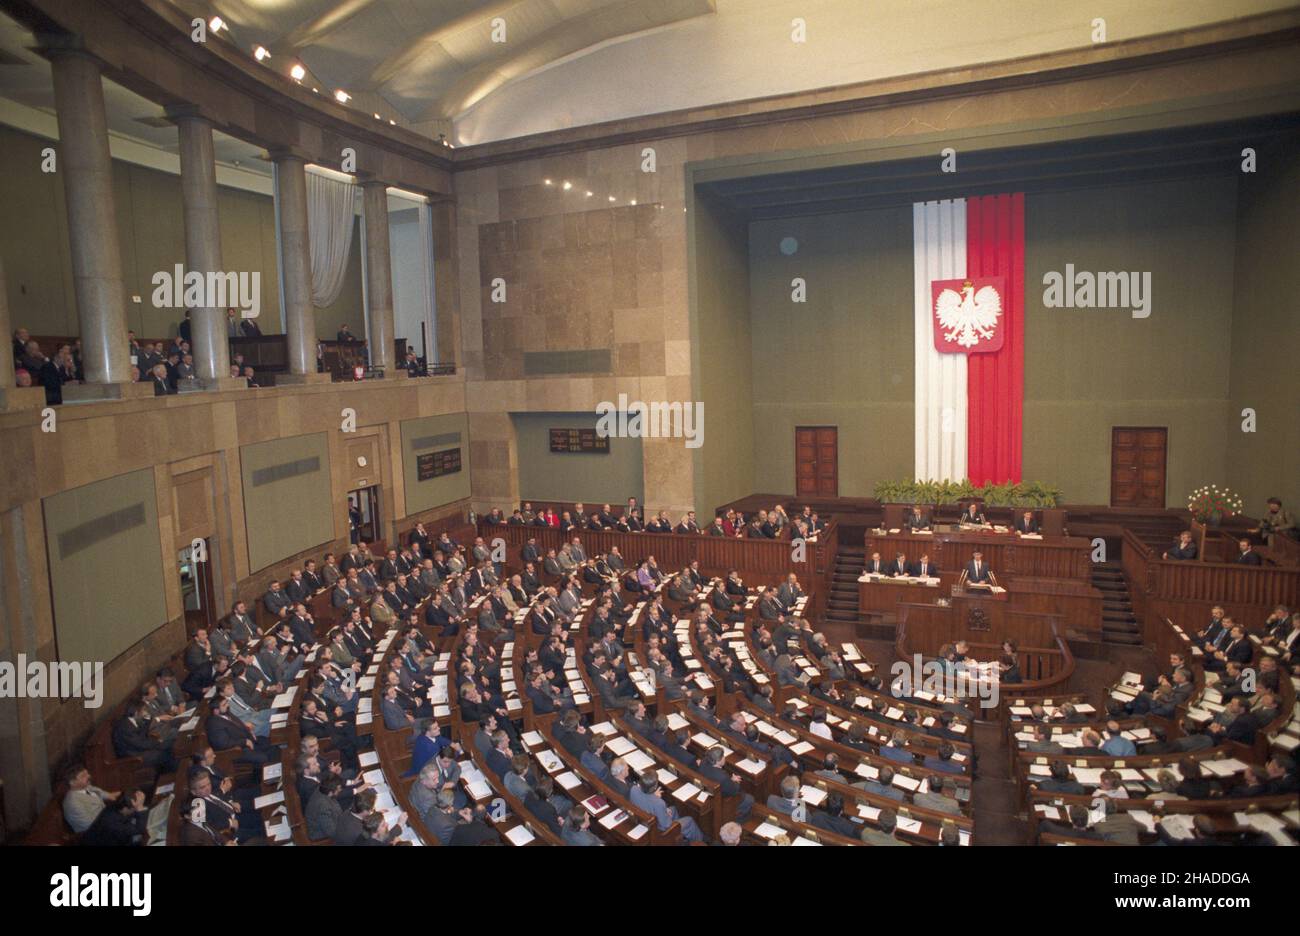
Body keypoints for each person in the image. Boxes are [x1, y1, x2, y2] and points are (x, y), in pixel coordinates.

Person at [630, 772, 703, 843]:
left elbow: (645, 800)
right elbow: (666, 825)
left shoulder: (633, 789)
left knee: (673, 809)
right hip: (659, 831)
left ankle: (679, 836)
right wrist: (666, 814)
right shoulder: (659, 803)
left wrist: (654, 797)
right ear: (655, 787)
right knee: (689, 820)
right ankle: (699, 842)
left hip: (643, 820)